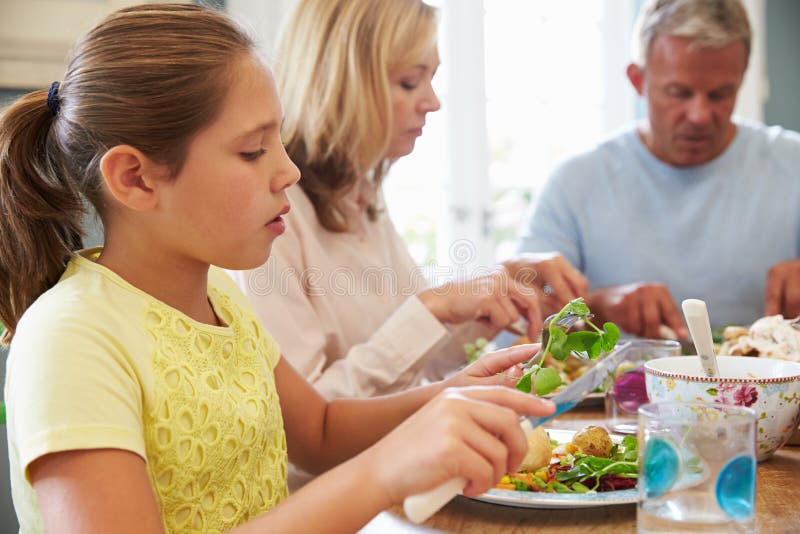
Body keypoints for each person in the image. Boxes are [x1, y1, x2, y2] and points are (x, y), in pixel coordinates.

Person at [0, 5, 556, 532]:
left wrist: (452, 397)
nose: (288, 171)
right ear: (136, 179)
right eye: (252, 151)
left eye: (280, 143)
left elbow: (318, 430)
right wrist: (385, 469)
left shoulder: (219, 295)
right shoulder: (72, 338)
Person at [230, 0, 587, 402]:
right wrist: (431, 308)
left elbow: (419, 369)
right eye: (409, 82)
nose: (432, 102)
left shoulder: (361, 193)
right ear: (344, 82)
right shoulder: (276, 212)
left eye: (431, 79)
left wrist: (494, 288)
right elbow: (305, 424)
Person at [517, 0, 800, 337]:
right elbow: (523, 328)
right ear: (638, 81)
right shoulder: (575, 183)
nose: (699, 115)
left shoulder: (791, 163)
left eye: (721, 94)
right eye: (679, 93)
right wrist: (593, 307)